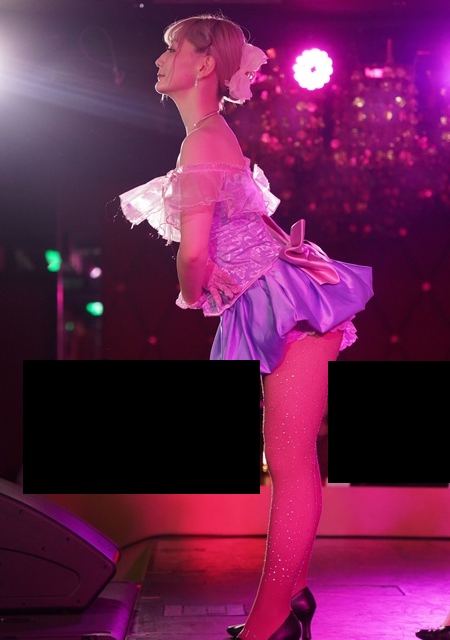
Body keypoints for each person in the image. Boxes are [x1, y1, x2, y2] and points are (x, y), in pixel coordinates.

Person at [118, 12, 374, 640]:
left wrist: (191, 292)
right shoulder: (210, 136)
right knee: (292, 459)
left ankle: (273, 616)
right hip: (279, 300)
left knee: (288, 459)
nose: (160, 60)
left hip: (286, 304)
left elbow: (193, 255)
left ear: (204, 64)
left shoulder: (204, 140)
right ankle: (290, 598)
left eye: (171, 48)